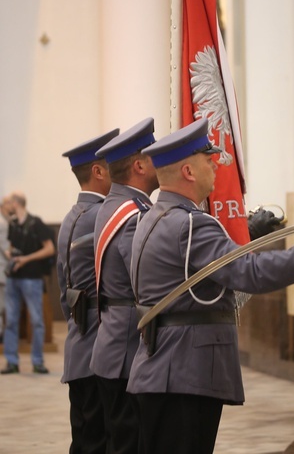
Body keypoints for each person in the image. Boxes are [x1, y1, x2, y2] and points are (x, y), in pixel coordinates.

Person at [127, 118, 294, 454]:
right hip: (183, 371)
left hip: (165, 368)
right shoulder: (191, 224)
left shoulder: (154, 217)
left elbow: (203, 267)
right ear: (188, 171)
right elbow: (248, 273)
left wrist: (248, 235)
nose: (216, 163)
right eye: (207, 158)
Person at [90, 118, 158, 454]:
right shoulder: (131, 214)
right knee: (130, 445)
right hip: (126, 352)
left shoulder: (116, 205)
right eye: (154, 153)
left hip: (115, 344)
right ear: (140, 165)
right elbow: (149, 279)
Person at [57, 127, 119, 454]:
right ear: (97, 171)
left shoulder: (71, 217)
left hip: (78, 346)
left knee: (84, 439)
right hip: (99, 348)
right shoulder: (101, 217)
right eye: (114, 165)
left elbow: (62, 287)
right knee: (97, 441)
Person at [1, 191, 55, 374]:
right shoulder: (13, 224)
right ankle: (12, 361)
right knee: (11, 321)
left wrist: (26, 259)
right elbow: (11, 247)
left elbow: (49, 249)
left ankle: (38, 361)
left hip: (32, 279)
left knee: (37, 320)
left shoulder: (36, 223)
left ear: (15, 204)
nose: (4, 206)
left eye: (6, 203)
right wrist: (11, 255)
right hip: (13, 278)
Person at [0, 196, 12, 342]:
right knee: (1, 304)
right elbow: (6, 249)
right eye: (10, 203)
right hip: (2, 269)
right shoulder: (2, 223)